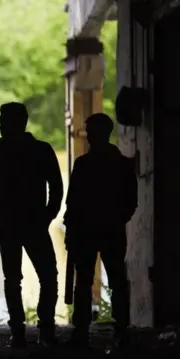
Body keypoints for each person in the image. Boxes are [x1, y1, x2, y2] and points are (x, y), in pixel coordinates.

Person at [0, 102, 62, 348]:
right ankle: (45, 330)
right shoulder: (42, 151)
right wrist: (46, 216)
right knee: (47, 277)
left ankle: (19, 332)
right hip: (34, 223)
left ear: (16, 123)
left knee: (13, 279)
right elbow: (56, 188)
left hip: (11, 225)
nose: (1, 125)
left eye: (4, 120)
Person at [64, 113, 137, 348]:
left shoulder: (83, 164)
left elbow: (72, 202)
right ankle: (121, 329)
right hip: (111, 230)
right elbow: (130, 201)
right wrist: (116, 220)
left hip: (87, 231)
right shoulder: (122, 164)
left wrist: (73, 229)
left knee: (84, 282)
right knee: (116, 281)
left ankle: (82, 330)